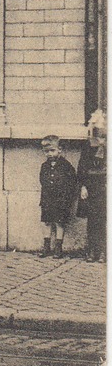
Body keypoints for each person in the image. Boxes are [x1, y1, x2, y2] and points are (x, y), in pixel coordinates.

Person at [38, 133, 77, 258]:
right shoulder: (44, 166)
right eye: (46, 151)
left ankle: (58, 248)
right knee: (47, 222)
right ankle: (46, 247)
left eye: (52, 150)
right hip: (47, 199)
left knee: (60, 222)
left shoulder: (66, 166)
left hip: (61, 200)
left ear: (60, 150)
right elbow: (42, 180)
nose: (49, 153)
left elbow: (72, 183)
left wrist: (66, 197)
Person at [77, 110, 106, 263]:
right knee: (93, 220)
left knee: (105, 220)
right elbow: (82, 166)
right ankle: (92, 251)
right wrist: (83, 186)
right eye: (98, 134)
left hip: (106, 186)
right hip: (92, 187)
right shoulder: (88, 146)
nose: (100, 139)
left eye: (103, 135)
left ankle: (103, 251)